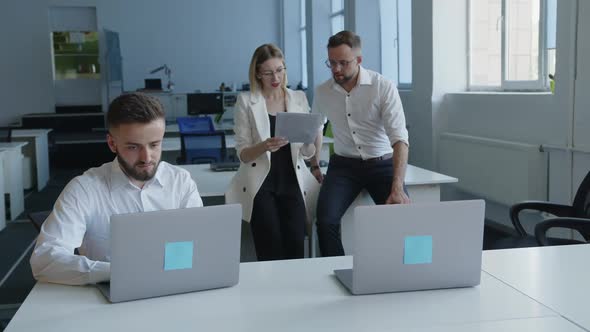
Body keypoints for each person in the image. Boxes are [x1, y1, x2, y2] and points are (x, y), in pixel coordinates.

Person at [30, 92, 203, 285]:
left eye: (154, 144)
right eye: (133, 147)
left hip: (174, 287)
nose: (147, 157)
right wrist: (118, 272)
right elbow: (44, 261)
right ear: (112, 143)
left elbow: (199, 246)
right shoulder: (84, 189)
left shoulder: (180, 181)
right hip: (110, 298)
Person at [311, 31, 410, 256]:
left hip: (382, 164)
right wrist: (315, 164)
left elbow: (400, 139)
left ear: (359, 60)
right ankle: (333, 270)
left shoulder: (382, 86)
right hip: (344, 167)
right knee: (325, 221)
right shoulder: (323, 91)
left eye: (343, 63)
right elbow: (316, 128)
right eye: (331, 63)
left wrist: (397, 186)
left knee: (403, 219)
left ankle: (404, 274)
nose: (336, 69)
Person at [226, 44, 321, 261]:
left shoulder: (298, 98)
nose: (275, 77)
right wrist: (264, 146)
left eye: (280, 70)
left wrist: (310, 140)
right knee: (270, 249)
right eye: (268, 72)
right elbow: (243, 154)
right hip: (261, 184)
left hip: (292, 181)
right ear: (258, 73)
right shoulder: (246, 101)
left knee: (296, 247)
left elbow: (306, 153)